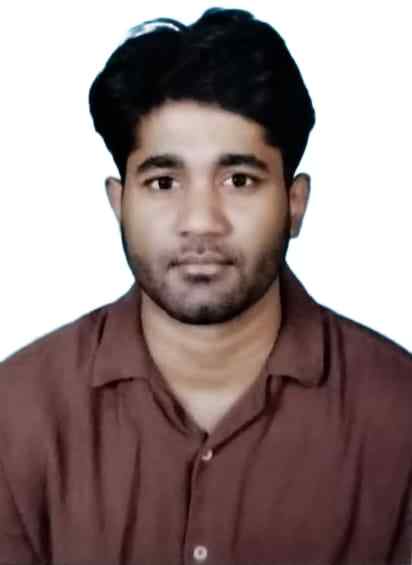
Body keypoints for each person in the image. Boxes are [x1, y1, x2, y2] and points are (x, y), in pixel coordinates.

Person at [0, 7, 411, 565]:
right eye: (163, 182)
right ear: (119, 203)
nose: (200, 221)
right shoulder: (17, 412)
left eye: (238, 179)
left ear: (295, 204)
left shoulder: (398, 415)